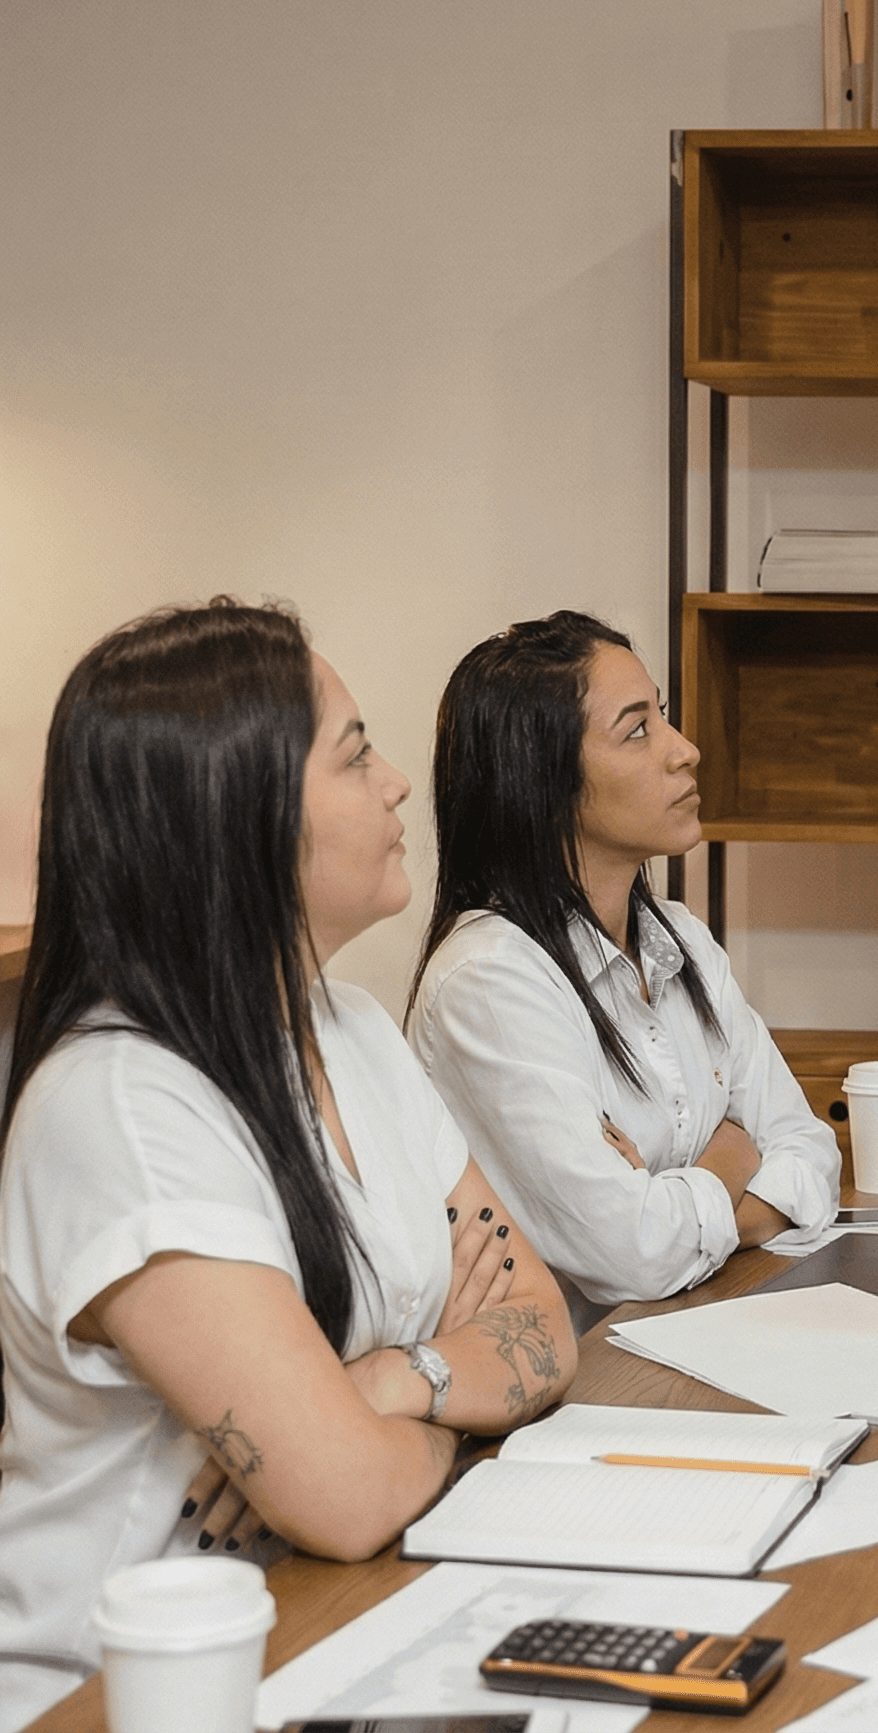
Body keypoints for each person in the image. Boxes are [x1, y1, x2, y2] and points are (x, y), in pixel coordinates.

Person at [0, 602, 577, 1731]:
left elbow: (544, 1321)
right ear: (241, 816)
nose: (400, 783)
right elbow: (346, 1495)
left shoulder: (351, 1028)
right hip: (124, 1695)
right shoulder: (120, 1107)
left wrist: (386, 1384)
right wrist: (438, 1391)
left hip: (340, 1620)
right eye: (356, 757)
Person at [407, 612, 839, 1332]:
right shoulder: (487, 980)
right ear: (542, 780)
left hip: (698, 1333)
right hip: (576, 1394)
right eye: (636, 730)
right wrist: (731, 1154)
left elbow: (812, 1155)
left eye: (662, 717)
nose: (685, 751)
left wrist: (668, 1191)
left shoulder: (682, 939)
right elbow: (632, 1257)